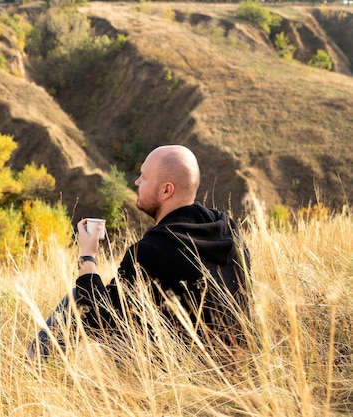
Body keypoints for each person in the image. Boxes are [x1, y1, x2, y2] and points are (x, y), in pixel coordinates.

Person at [28, 145, 251, 363]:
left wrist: (88, 256)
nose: (136, 182)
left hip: (181, 371)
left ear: (166, 190)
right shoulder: (228, 231)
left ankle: (32, 371)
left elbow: (97, 318)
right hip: (237, 366)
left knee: (78, 297)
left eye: (143, 177)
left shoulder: (152, 250)